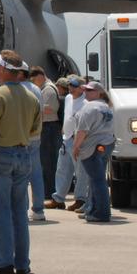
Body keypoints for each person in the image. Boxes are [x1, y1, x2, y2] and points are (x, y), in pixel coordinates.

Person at [0, 50, 42, 274]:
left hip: (0, 153)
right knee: (19, 210)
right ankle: (22, 262)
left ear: (5, 70)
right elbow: (35, 129)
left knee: (0, 209)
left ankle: (3, 262)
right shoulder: (32, 97)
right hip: (23, 154)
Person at [72, 81, 116, 223]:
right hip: (106, 144)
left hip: (93, 146)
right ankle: (92, 208)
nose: (86, 92)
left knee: (97, 180)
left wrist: (76, 147)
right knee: (97, 179)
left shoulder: (90, 107)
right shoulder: (106, 107)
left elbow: (82, 130)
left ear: (99, 93)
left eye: (90, 90)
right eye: (85, 90)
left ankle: (101, 213)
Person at [16, 67, 47, 222]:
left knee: (20, 175)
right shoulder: (36, 89)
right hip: (35, 136)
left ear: (20, 73)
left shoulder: (17, 88)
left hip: (20, 137)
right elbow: (41, 113)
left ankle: (23, 209)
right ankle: (39, 209)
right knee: (36, 173)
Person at [51, 77, 87, 209]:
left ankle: (80, 199)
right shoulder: (68, 98)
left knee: (80, 172)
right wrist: (64, 129)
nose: (71, 88)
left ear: (82, 87)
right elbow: (68, 115)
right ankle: (59, 198)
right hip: (67, 138)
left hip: (79, 140)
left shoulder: (86, 101)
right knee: (62, 169)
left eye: (74, 85)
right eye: (70, 85)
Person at [33, 67, 61, 205]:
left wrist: (34, 109)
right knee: (47, 160)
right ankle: (49, 189)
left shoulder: (48, 89)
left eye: (34, 78)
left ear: (40, 76)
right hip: (47, 127)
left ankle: (49, 190)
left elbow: (50, 108)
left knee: (48, 161)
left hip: (49, 127)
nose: (33, 82)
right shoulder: (44, 88)